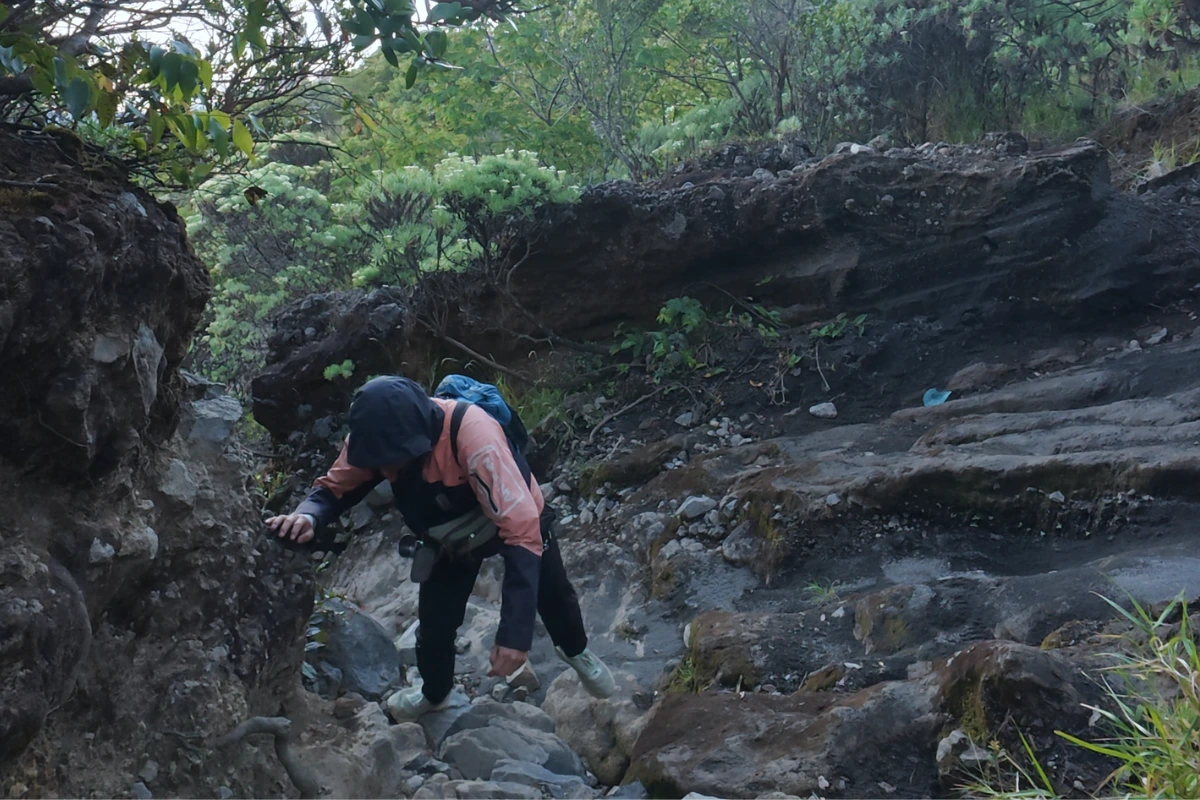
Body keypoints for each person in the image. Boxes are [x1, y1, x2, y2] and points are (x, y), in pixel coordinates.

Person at [266, 375, 614, 720]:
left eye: (393, 460)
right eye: (378, 462)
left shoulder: (476, 437)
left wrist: (515, 635)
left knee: (554, 596)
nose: (384, 470)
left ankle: (576, 651)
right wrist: (307, 516)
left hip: (515, 518)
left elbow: (523, 534)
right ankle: (434, 692)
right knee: (434, 627)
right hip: (449, 539)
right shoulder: (372, 436)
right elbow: (336, 487)